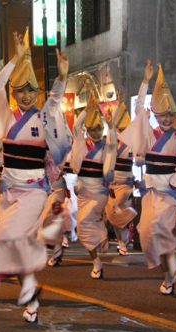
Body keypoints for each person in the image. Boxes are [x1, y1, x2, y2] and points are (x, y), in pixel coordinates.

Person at [0, 29, 70, 323]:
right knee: (7, 241)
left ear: (36, 92)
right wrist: (16, 59)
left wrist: (61, 79)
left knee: (7, 237)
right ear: (14, 94)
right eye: (20, 91)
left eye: (31, 91)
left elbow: (56, 101)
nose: (26, 95)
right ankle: (30, 293)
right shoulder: (6, 117)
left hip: (34, 192)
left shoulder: (42, 117)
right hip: (8, 192)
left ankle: (30, 287)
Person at [119, 60, 176, 295]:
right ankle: (168, 276)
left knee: (158, 227)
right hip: (151, 192)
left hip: (170, 195)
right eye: (161, 115)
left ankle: (174, 259)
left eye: (170, 114)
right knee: (145, 231)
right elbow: (138, 111)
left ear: (175, 114)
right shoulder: (150, 135)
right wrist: (144, 82)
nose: (166, 119)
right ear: (154, 114)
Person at [71, 92, 117, 278]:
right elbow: (75, 126)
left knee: (82, 222)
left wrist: (111, 125)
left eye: (99, 129)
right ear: (87, 130)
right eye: (93, 130)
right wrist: (87, 110)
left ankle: (101, 234)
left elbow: (113, 141)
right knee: (81, 230)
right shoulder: (81, 144)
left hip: (99, 193)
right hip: (83, 192)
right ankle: (96, 263)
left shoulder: (107, 147)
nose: (96, 133)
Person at [104, 91, 137, 256]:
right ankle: (122, 241)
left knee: (120, 209)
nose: (123, 130)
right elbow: (110, 128)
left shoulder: (132, 141)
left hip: (126, 182)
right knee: (112, 212)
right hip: (113, 180)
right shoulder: (112, 139)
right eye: (120, 128)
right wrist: (117, 105)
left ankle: (124, 240)